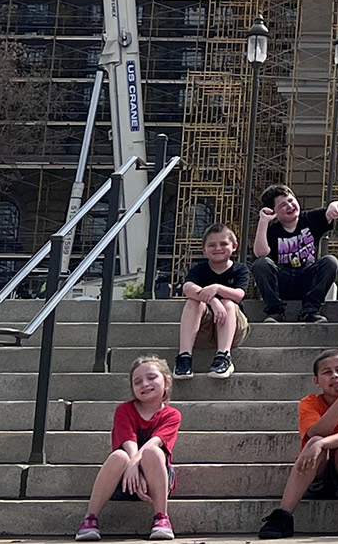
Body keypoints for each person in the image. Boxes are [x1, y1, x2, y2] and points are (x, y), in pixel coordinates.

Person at [258, 351, 338, 539]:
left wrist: (323, 443)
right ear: (316, 380)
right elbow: (316, 432)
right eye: (326, 372)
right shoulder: (309, 403)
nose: (334, 375)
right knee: (315, 441)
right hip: (314, 475)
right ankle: (283, 515)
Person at [74, 357, 182, 541]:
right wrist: (134, 469)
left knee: (152, 452)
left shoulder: (172, 415)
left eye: (151, 377)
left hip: (156, 483)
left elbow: (154, 442)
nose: (145, 384)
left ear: (167, 381)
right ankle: (89, 519)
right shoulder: (124, 410)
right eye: (137, 381)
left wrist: (137, 468)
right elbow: (128, 441)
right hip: (124, 481)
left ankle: (161, 518)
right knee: (119, 456)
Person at [252, 185, 338, 323]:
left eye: (291, 200)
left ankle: (309, 311)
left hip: (307, 278)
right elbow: (260, 254)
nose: (290, 206)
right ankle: (276, 312)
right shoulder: (271, 230)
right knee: (261, 264)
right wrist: (263, 221)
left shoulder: (309, 219)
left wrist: (334, 206)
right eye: (283, 205)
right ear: (274, 212)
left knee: (330, 261)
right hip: (282, 281)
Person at [176, 223, 249, 380]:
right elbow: (187, 288)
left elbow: (239, 294)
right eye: (212, 245)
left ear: (234, 246)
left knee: (228, 302)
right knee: (193, 302)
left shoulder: (240, 269)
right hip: (205, 331)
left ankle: (224, 357)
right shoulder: (200, 269)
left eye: (223, 244)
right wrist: (214, 301)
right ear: (204, 249)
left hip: (232, 328)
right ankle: (184, 358)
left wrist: (217, 288)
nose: (218, 248)